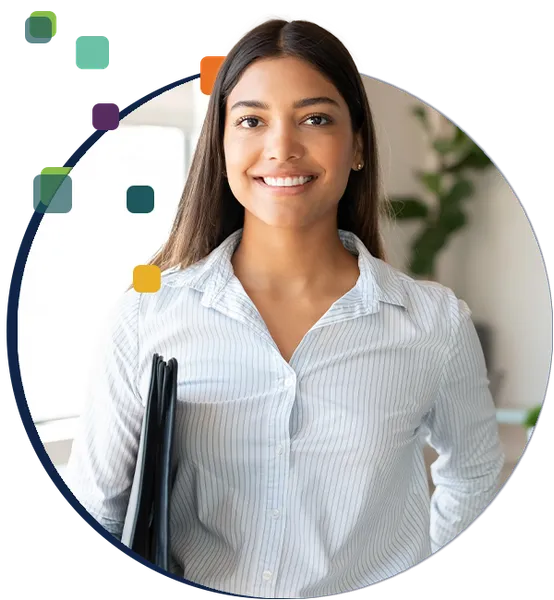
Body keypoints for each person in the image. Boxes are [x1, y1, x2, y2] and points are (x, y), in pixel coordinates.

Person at [66, 13, 505, 598]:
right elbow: (100, 506)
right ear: (221, 145)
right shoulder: (148, 315)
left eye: (315, 118)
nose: (282, 148)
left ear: (357, 147)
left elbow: (473, 476)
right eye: (251, 120)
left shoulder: (434, 323)